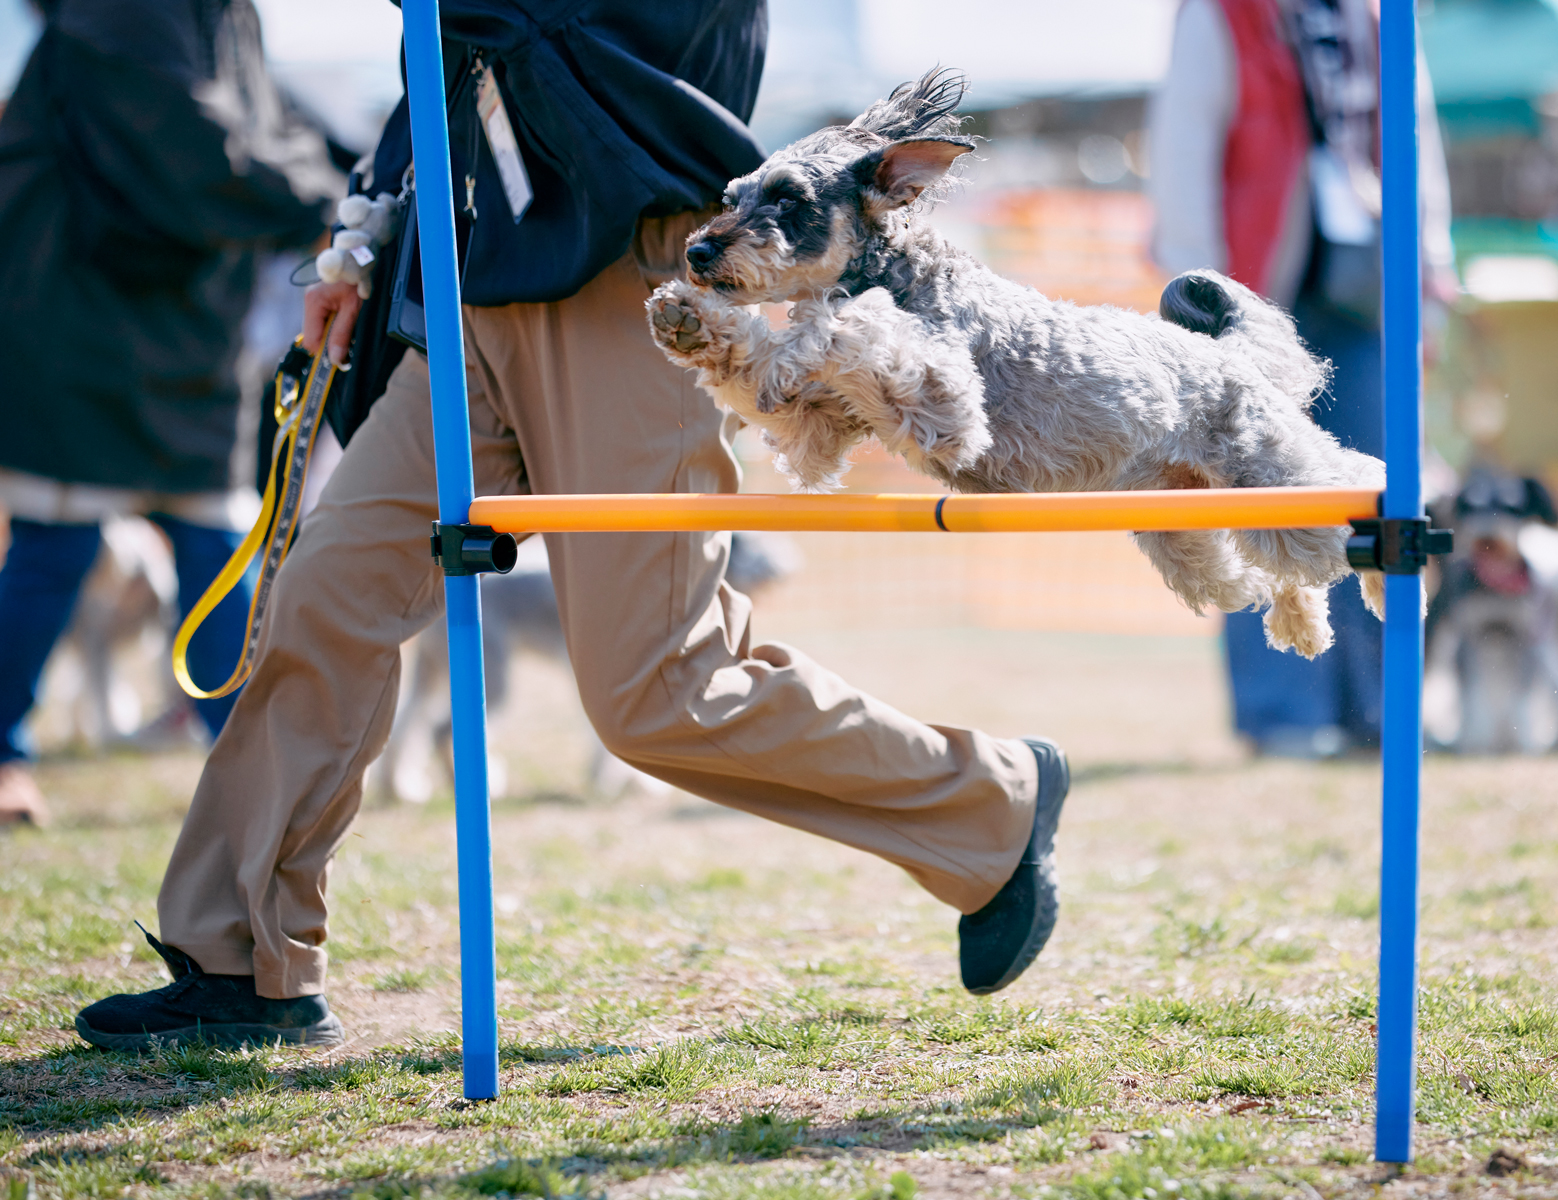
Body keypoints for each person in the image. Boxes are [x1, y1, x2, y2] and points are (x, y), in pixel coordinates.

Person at [74, 1, 1068, 1050]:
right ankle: (242, 961)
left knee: (655, 691)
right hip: (467, 292)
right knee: (322, 601)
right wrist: (359, 244)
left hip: (636, 280)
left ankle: (989, 802)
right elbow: (441, 61)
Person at [0, 0, 337, 825]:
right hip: (81, 310)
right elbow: (187, 139)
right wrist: (318, 197)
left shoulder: (229, 11)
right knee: (56, 541)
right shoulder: (112, 12)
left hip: (193, 325)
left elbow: (275, 119)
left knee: (219, 543)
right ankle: (3, 756)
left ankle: (250, 764)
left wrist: (341, 190)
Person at [1145, 0, 1454, 757]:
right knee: (1258, 499)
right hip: (1256, 291)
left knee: (1381, 497)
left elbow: (1416, 142)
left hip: (1365, 291)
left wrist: (1433, 279)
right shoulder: (1221, 13)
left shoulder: (1381, 16)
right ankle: (1285, 713)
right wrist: (1199, 299)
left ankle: (1386, 709)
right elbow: (1184, 145)